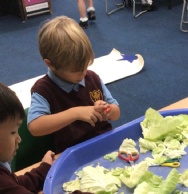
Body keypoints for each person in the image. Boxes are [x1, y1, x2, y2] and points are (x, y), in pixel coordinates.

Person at [28, 16, 120, 154]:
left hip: (104, 144)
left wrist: (107, 110)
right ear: (50, 64)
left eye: (85, 66)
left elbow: (116, 113)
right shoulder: (43, 90)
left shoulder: (92, 78)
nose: (83, 73)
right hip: (73, 154)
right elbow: (35, 127)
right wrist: (75, 113)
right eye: (75, 71)